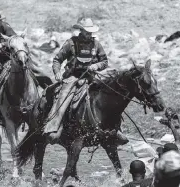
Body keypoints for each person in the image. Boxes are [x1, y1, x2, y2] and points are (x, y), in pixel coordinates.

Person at [42, 17, 128, 145]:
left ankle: (116, 129)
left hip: (91, 76)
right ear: (81, 30)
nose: (89, 34)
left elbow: (104, 62)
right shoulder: (70, 43)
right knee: (63, 96)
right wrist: (57, 72)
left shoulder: (96, 44)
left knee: (110, 94)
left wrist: (96, 66)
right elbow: (57, 60)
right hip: (72, 77)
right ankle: (53, 127)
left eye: (90, 32)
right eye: (87, 31)